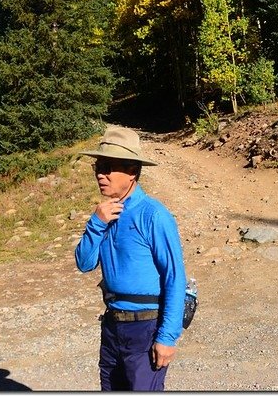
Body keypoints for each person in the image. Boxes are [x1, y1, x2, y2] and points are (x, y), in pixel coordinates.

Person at [75, 126, 187, 391]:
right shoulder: (105, 213)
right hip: (113, 324)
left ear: (132, 171)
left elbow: (175, 277)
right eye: (98, 166)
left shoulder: (153, 215)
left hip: (146, 328)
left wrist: (167, 337)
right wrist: (96, 223)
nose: (101, 174)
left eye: (109, 167)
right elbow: (84, 263)